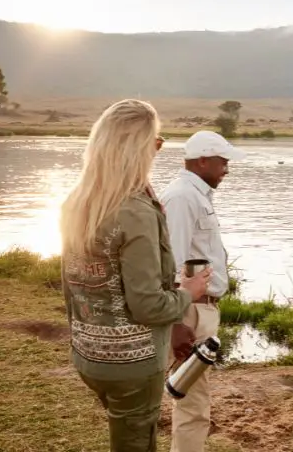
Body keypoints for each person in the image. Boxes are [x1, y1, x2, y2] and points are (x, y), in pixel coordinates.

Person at [60, 99, 212, 452]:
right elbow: (148, 306)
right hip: (133, 363)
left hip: (88, 356)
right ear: (139, 148)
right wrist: (189, 291)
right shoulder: (134, 212)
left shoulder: (76, 202)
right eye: (156, 143)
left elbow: (72, 287)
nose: (157, 152)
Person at [159, 129, 246, 452]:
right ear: (203, 161)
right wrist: (176, 321)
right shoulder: (183, 197)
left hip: (198, 309)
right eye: (223, 162)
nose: (227, 168)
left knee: (189, 395)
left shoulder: (194, 195)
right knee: (193, 403)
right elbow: (172, 263)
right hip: (190, 311)